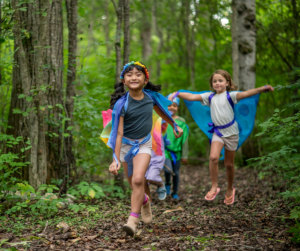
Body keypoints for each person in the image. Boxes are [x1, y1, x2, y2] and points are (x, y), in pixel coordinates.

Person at [100, 61, 183, 236]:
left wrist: (174, 124)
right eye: (129, 75)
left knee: (139, 180)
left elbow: (161, 111)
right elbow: (118, 133)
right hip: (125, 146)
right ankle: (144, 200)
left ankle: (132, 220)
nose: (134, 77)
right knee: (133, 185)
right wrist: (115, 159)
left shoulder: (150, 97)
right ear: (124, 81)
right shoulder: (121, 104)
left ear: (145, 80)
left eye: (138, 74)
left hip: (144, 144)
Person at [169, 69, 274, 205]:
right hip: (217, 132)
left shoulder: (232, 96)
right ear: (212, 84)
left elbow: (247, 93)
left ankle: (230, 188)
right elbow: (191, 97)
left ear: (227, 82)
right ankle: (214, 187)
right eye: (214, 81)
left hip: (231, 133)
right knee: (213, 158)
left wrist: (262, 89)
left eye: (220, 80)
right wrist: (177, 93)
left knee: (229, 164)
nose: (217, 83)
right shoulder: (209, 97)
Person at [164, 95, 189, 200]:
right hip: (165, 151)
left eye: (174, 106)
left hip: (177, 152)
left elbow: (185, 139)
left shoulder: (181, 121)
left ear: (177, 108)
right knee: (168, 170)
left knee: (176, 172)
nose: (171, 108)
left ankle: (175, 192)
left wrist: (185, 155)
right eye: (169, 105)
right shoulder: (163, 118)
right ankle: (167, 185)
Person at [144, 116, 168, 202]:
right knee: (143, 180)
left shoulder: (157, 119)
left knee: (151, 177)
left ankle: (160, 184)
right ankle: (148, 202)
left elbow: (165, 123)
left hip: (156, 156)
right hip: (143, 155)